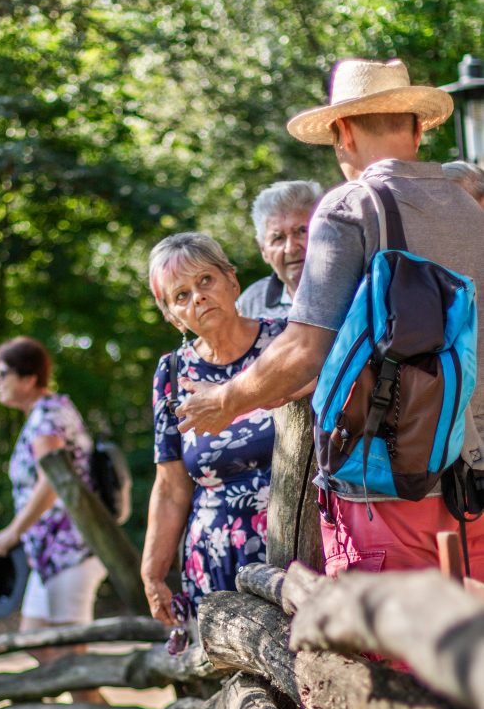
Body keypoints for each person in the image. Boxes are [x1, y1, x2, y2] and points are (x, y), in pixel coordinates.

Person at [175, 58, 484, 579]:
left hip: (389, 486)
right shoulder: (469, 208)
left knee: (387, 653)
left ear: (342, 133)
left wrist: (227, 399)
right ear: (415, 128)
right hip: (475, 483)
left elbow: (303, 349)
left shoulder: (352, 206)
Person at [141, 232, 289, 626]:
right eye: (181, 295)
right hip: (216, 559)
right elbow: (171, 487)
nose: (198, 297)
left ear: (232, 281)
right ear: (173, 316)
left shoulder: (287, 341)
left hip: (297, 545)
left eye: (205, 281)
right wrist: (153, 573)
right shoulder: (171, 373)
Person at [0, 336, 113, 709]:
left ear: (29, 377)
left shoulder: (47, 418)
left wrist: (12, 532)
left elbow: (52, 483)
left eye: (2, 373)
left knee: (72, 653)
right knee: (36, 639)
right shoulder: (43, 414)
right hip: (50, 557)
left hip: (70, 551)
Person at [237, 180, 322, 320]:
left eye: (301, 231)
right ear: (263, 250)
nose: (291, 248)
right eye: (278, 238)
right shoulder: (250, 304)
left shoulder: (352, 288)